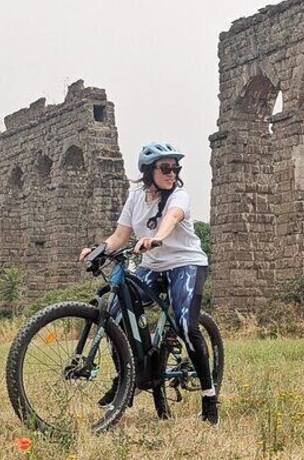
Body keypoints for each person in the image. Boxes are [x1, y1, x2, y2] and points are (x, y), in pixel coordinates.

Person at [78, 141, 218, 425]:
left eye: (175, 167)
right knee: (115, 314)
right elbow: (119, 236)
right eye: (165, 167)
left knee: (184, 324)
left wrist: (157, 238)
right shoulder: (136, 197)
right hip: (152, 265)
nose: (171, 172)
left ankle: (209, 395)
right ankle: (126, 379)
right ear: (148, 171)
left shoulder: (179, 195)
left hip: (185, 263)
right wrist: (97, 250)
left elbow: (171, 218)